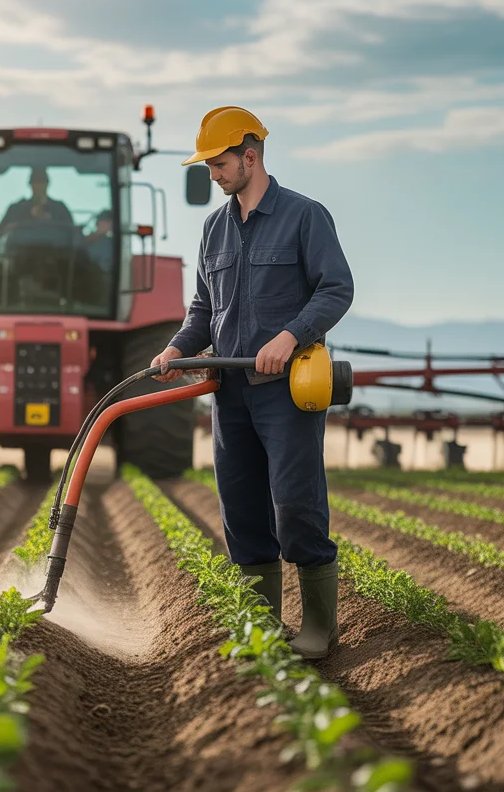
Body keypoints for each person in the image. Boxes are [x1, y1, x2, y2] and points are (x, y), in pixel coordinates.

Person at [151, 106, 354, 659]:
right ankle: (264, 625)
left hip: (286, 392)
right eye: (208, 166)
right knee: (241, 511)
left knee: (295, 506)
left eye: (217, 164)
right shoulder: (214, 228)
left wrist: (290, 336)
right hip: (230, 391)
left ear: (250, 155)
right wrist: (178, 347)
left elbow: (335, 288)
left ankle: (318, 627)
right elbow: (202, 308)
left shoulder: (304, 216)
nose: (212, 175)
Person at [0, 167, 75, 236]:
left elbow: (73, 235)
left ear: (47, 184)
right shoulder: (15, 210)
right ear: (30, 184)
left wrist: (49, 221)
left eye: (41, 181)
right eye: (36, 182)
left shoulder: (60, 210)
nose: (39, 186)